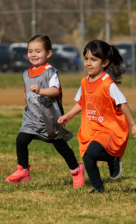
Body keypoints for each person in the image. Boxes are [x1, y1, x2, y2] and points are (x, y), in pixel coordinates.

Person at [58, 40, 136, 193]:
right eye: (86, 58)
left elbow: (123, 104)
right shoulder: (84, 82)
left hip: (109, 129)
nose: (88, 63)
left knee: (92, 153)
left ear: (105, 63)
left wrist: (133, 125)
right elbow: (82, 102)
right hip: (91, 129)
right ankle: (98, 188)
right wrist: (68, 115)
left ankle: (113, 158)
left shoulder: (108, 84)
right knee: (87, 158)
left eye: (94, 60)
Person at [5, 35, 85, 188]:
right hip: (32, 117)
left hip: (50, 118)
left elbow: (55, 90)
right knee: (21, 140)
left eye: (37, 51)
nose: (33, 54)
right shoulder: (25, 73)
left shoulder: (50, 72)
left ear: (48, 53)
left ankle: (76, 170)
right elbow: (26, 93)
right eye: (30, 51)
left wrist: (40, 91)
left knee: (60, 147)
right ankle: (23, 170)